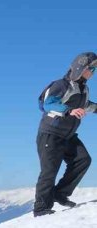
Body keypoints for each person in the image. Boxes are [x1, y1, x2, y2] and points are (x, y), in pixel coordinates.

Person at [34, 52, 97, 216]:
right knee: (49, 171)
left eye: (94, 68)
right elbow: (47, 104)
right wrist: (68, 110)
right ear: (79, 67)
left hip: (68, 135)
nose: (92, 71)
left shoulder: (84, 89)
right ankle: (41, 208)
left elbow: (85, 105)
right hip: (50, 134)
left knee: (83, 160)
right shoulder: (61, 85)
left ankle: (60, 194)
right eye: (90, 68)